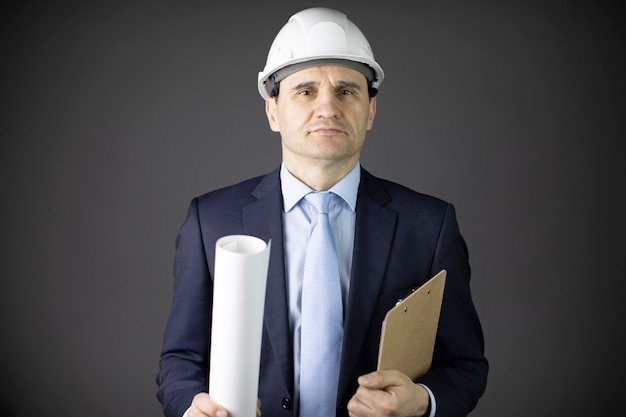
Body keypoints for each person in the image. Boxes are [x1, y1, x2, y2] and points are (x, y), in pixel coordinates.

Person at [157, 7, 488, 417]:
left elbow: (466, 365)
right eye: (305, 91)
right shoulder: (211, 221)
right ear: (273, 111)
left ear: (370, 111)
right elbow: (180, 361)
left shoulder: (429, 226)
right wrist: (194, 410)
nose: (327, 107)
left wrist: (423, 401)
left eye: (347, 91)